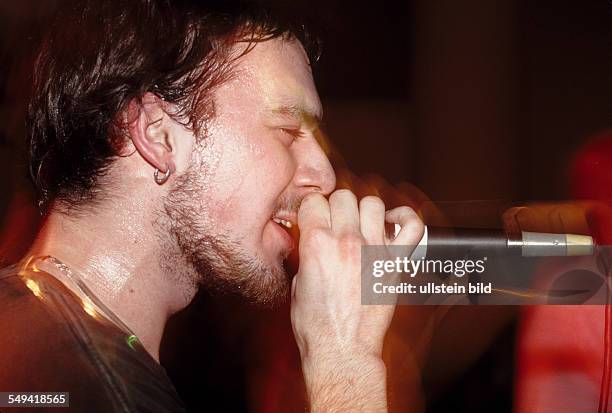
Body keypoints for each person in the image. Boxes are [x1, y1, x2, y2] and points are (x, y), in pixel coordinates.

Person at [0, 0, 424, 411]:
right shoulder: (87, 387)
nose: (323, 174)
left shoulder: (42, 346)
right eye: (288, 129)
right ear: (158, 135)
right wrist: (345, 357)